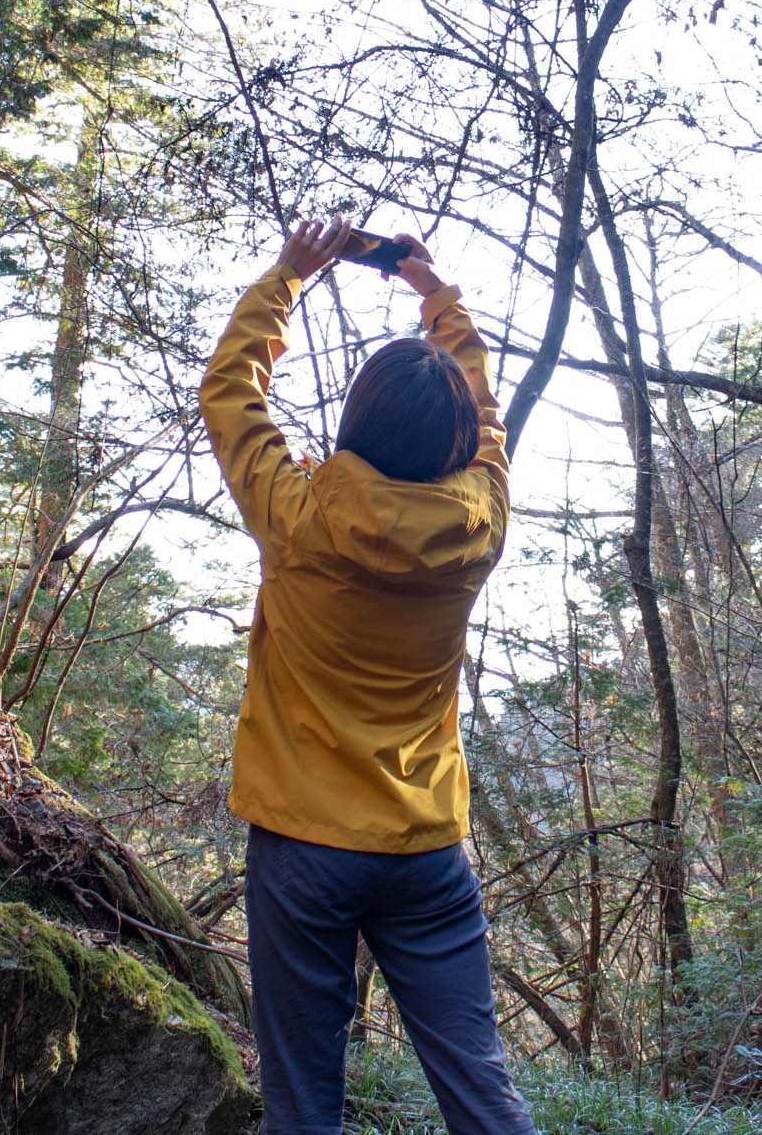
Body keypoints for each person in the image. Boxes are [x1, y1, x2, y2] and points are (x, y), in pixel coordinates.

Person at [199, 215, 536, 1135]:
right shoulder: (481, 523)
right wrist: (437, 297)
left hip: (304, 845)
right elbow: (489, 419)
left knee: (304, 1103)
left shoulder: (300, 516)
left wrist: (290, 277)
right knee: (480, 1087)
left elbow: (231, 395)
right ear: (456, 443)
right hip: (426, 846)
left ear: (357, 423)